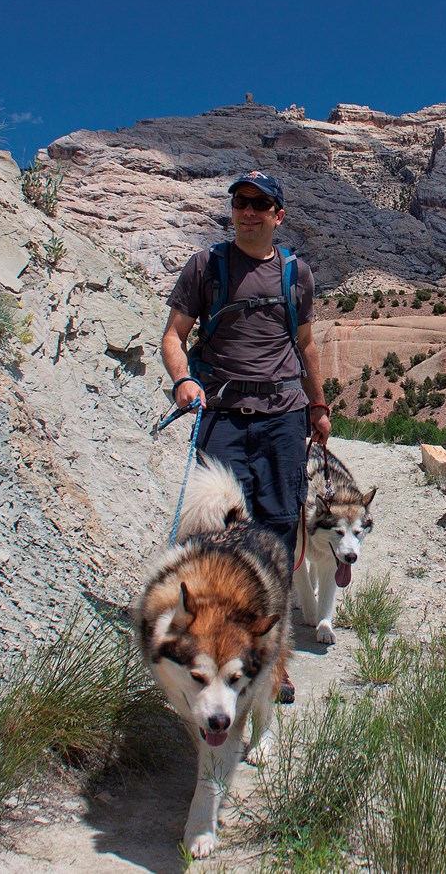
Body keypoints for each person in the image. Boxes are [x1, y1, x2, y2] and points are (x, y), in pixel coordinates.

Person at [160, 171, 330, 702]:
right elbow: (173, 336)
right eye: (240, 202)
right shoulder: (206, 267)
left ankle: (272, 662)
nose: (248, 211)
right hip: (224, 415)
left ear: (278, 215)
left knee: (278, 534)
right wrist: (183, 379)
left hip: (284, 416)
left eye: (260, 204)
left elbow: (305, 347)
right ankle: (214, 650)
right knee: (221, 534)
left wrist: (319, 407)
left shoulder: (294, 274)